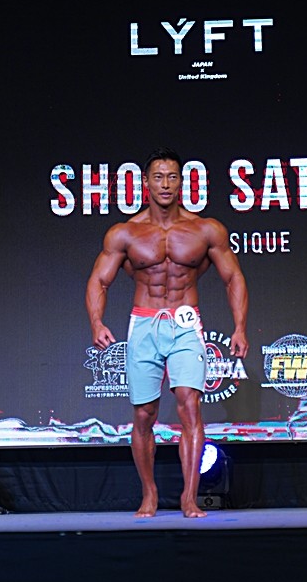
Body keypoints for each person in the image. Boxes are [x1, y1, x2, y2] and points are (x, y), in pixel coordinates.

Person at [86, 146, 249, 518]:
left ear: (182, 183)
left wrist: (240, 327)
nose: (165, 184)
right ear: (145, 182)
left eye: (172, 177)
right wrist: (97, 322)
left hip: (185, 322)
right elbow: (99, 280)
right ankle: (150, 494)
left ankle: (190, 497)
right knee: (144, 414)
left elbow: (233, 277)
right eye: (158, 177)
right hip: (144, 323)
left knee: (190, 404)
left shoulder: (205, 229)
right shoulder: (126, 233)